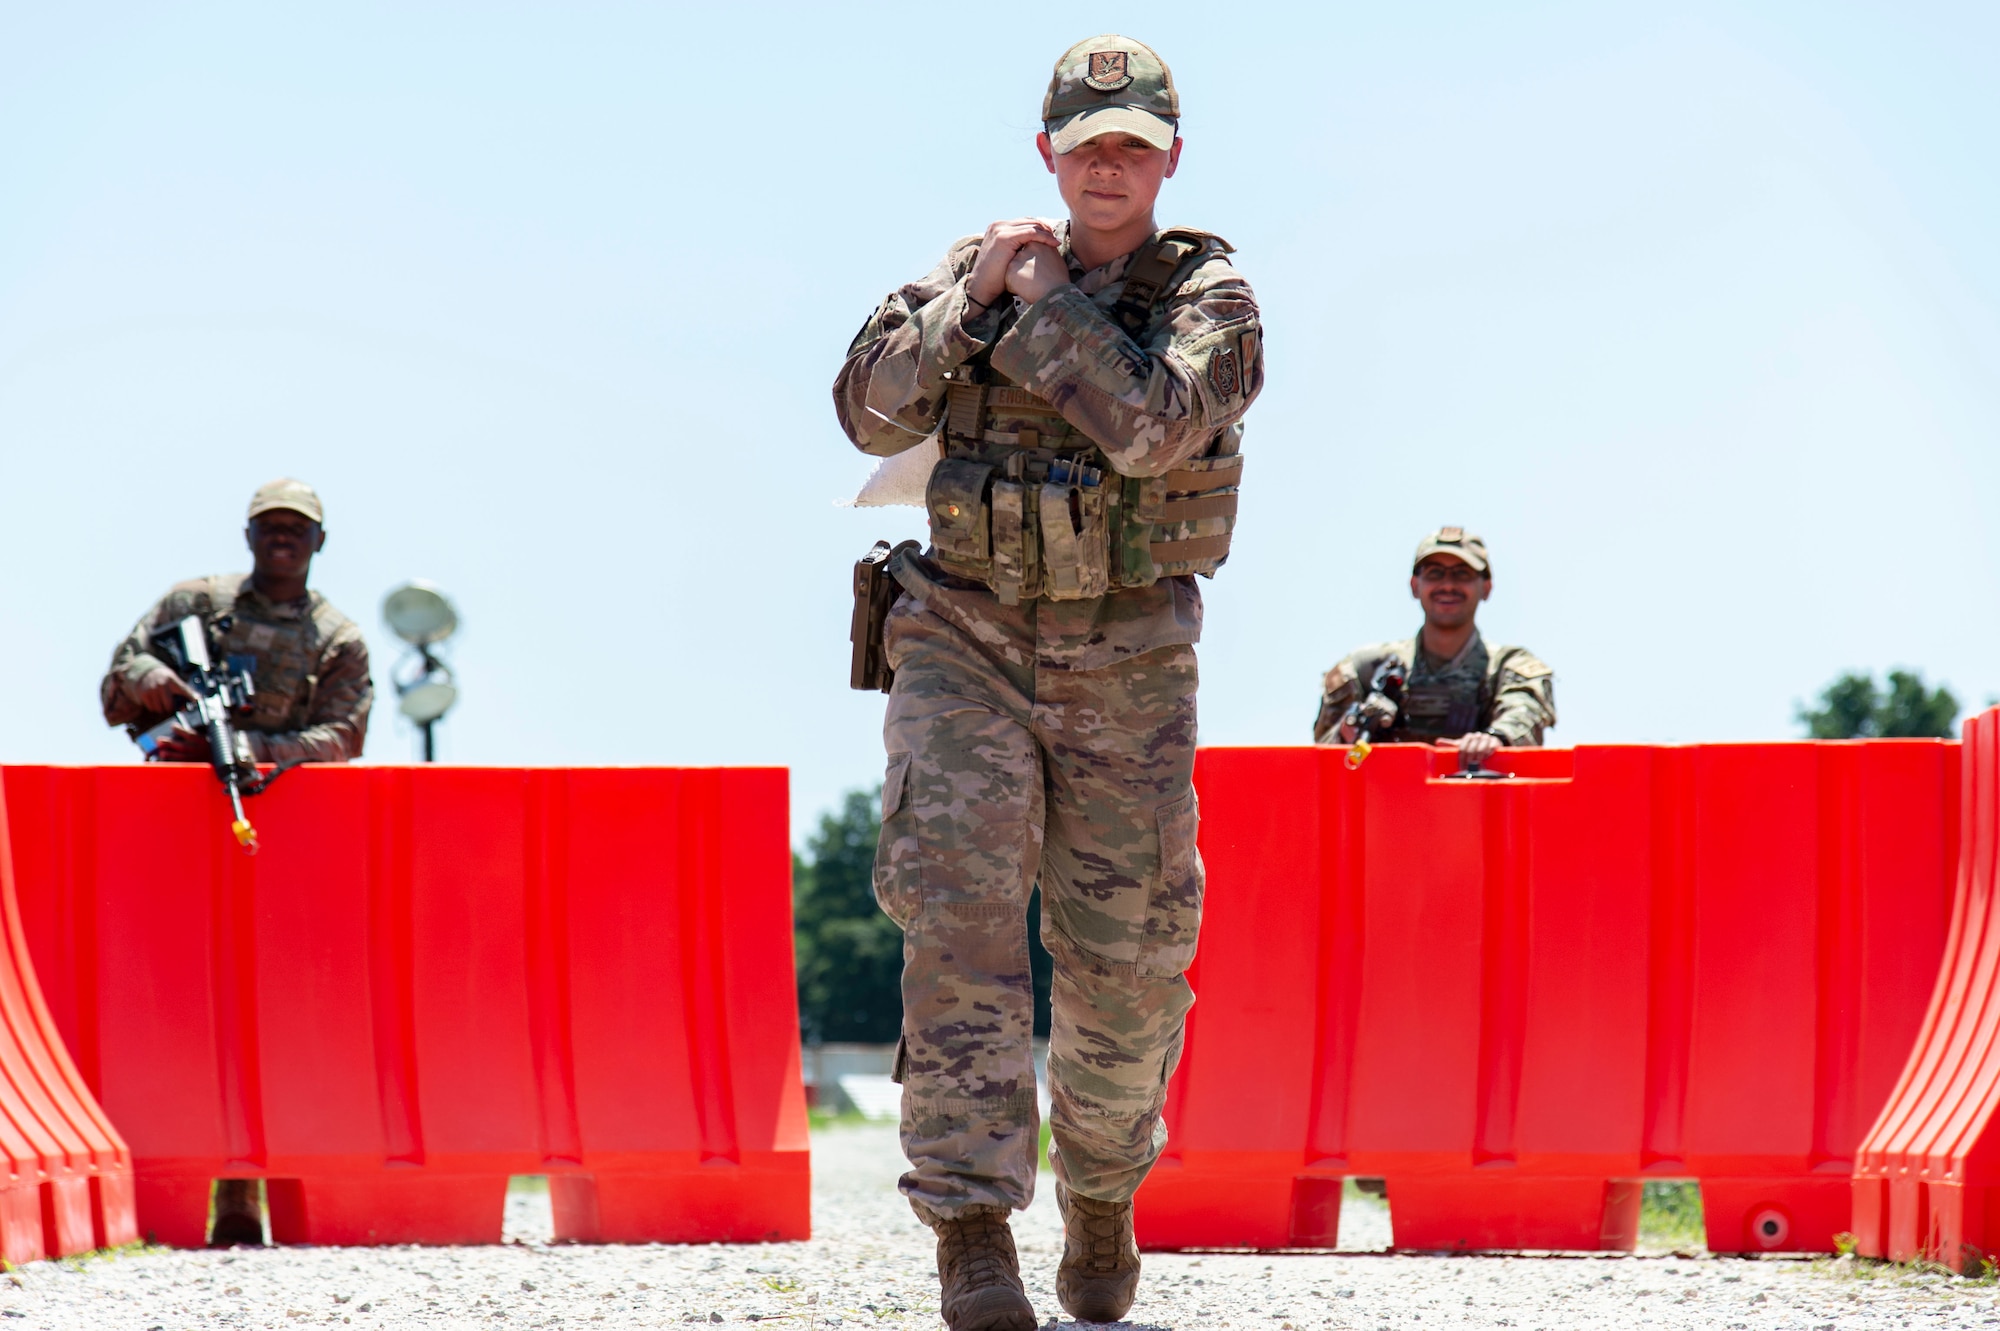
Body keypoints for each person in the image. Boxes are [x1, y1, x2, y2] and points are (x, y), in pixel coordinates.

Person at [833, 34, 1263, 1331]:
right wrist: (975, 300)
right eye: (1088, 147)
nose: (1110, 166)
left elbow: (1153, 427)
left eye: (1134, 145)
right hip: (963, 634)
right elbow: (865, 409)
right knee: (956, 916)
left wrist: (1041, 302)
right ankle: (970, 1229)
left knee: (1125, 958)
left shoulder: (1214, 297)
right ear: (1049, 156)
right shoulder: (976, 269)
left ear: (1171, 158)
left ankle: (1104, 1192)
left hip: (1127, 652)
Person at [98, 476, 372, 1243]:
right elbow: (120, 673)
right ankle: (169, 1184)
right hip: (175, 834)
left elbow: (344, 737)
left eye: (298, 528)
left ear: (319, 542)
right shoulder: (195, 605)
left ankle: (245, 1191)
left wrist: (248, 750)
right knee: (174, 1005)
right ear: (248, 535)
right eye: (269, 527)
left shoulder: (338, 637)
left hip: (276, 838)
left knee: (270, 1013)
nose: (282, 538)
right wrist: (164, 688)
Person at [1313, 528, 1555, 765]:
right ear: (1414, 586)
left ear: (1487, 587)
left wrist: (1495, 739)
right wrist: (1350, 731)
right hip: (1385, 801)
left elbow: (1524, 713)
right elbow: (1319, 758)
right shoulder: (1366, 668)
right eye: (1434, 573)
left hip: (1475, 800)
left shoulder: (1509, 667)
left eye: (1462, 574)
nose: (1448, 585)